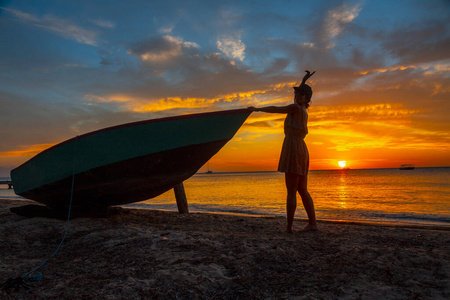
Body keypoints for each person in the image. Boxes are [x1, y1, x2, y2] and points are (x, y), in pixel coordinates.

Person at [248, 70, 318, 233]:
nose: (297, 95)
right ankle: (313, 223)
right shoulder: (304, 110)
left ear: (307, 99)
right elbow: (300, 93)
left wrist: (258, 109)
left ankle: (289, 227)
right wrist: (303, 80)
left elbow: (277, 109)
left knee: (292, 190)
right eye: (297, 93)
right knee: (301, 189)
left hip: (294, 148)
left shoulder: (295, 108)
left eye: (301, 94)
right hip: (301, 148)